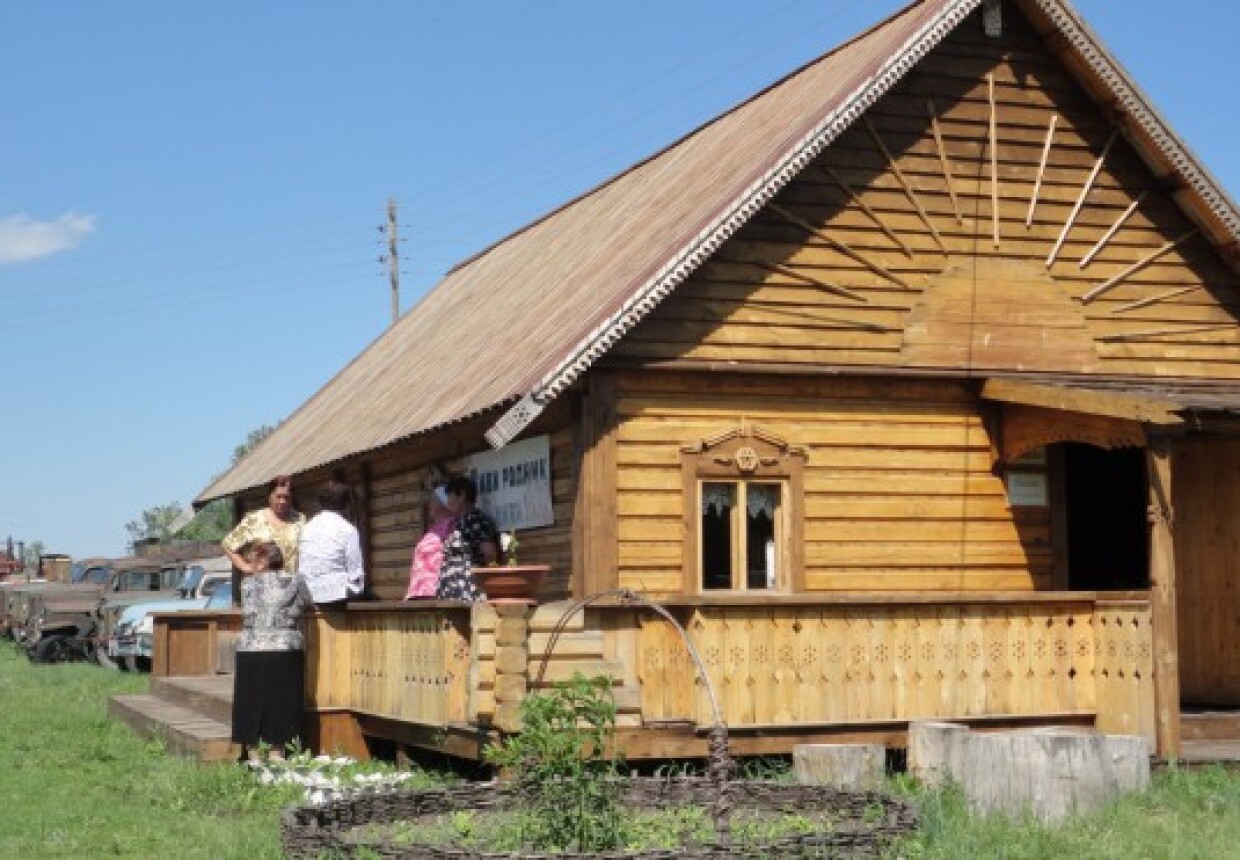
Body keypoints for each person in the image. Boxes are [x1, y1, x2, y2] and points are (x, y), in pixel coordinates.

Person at [231, 541, 313, 760]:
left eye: (253, 560)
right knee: (282, 703)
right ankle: (278, 757)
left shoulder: (247, 583)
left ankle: (254, 758)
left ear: (262, 561)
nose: (251, 565)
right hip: (285, 648)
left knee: (251, 703)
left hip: (251, 647)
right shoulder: (296, 580)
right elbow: (308, 602)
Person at [221, 475, 306, 606]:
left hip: (290, 593)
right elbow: (227, 545)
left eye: (286, 497)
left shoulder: (300, 520)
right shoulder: (255, 519)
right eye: (278, 496)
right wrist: (246, 567)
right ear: (269, 497)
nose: (282, 501)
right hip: (261, 592)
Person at [298, 477, 365, 608]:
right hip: (335, 595)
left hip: (307, 593)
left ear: (321, 503)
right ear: (346, 506)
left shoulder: (307, 527)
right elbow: (355, 572)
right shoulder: (348, 529)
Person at [435, 475, 500, 602]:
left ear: (462, 495)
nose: (447, 502)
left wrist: (484, 585)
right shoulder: (459, 522)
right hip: (452, 592)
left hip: (467, 592)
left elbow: (490, 553)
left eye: (450, 496)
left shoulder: (476, 520)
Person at [404, 486, 456, 600]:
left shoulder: (452, 525)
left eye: (433, 501)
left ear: (442, 504)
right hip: (418, 591)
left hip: (434, 590)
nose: (430, 505)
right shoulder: (435, 527)